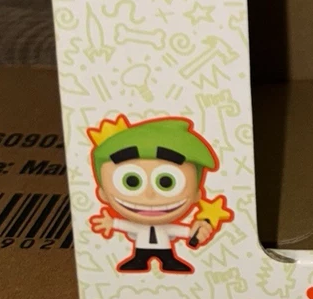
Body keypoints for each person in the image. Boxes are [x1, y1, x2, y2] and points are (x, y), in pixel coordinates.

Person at [88, 115, 226, 273]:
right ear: (103, 193)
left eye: (167, 182)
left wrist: (196, 231)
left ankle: (168, 261)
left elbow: (185, 232)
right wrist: (111, 223)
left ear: (197, 193)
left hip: (166, 250)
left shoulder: (167, 227)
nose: (149, 195)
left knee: (168, 260)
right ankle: (139, 261)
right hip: (139, 251)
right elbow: (125, 225)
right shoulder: (138, 224)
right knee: (139, 259)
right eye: (131, 181)